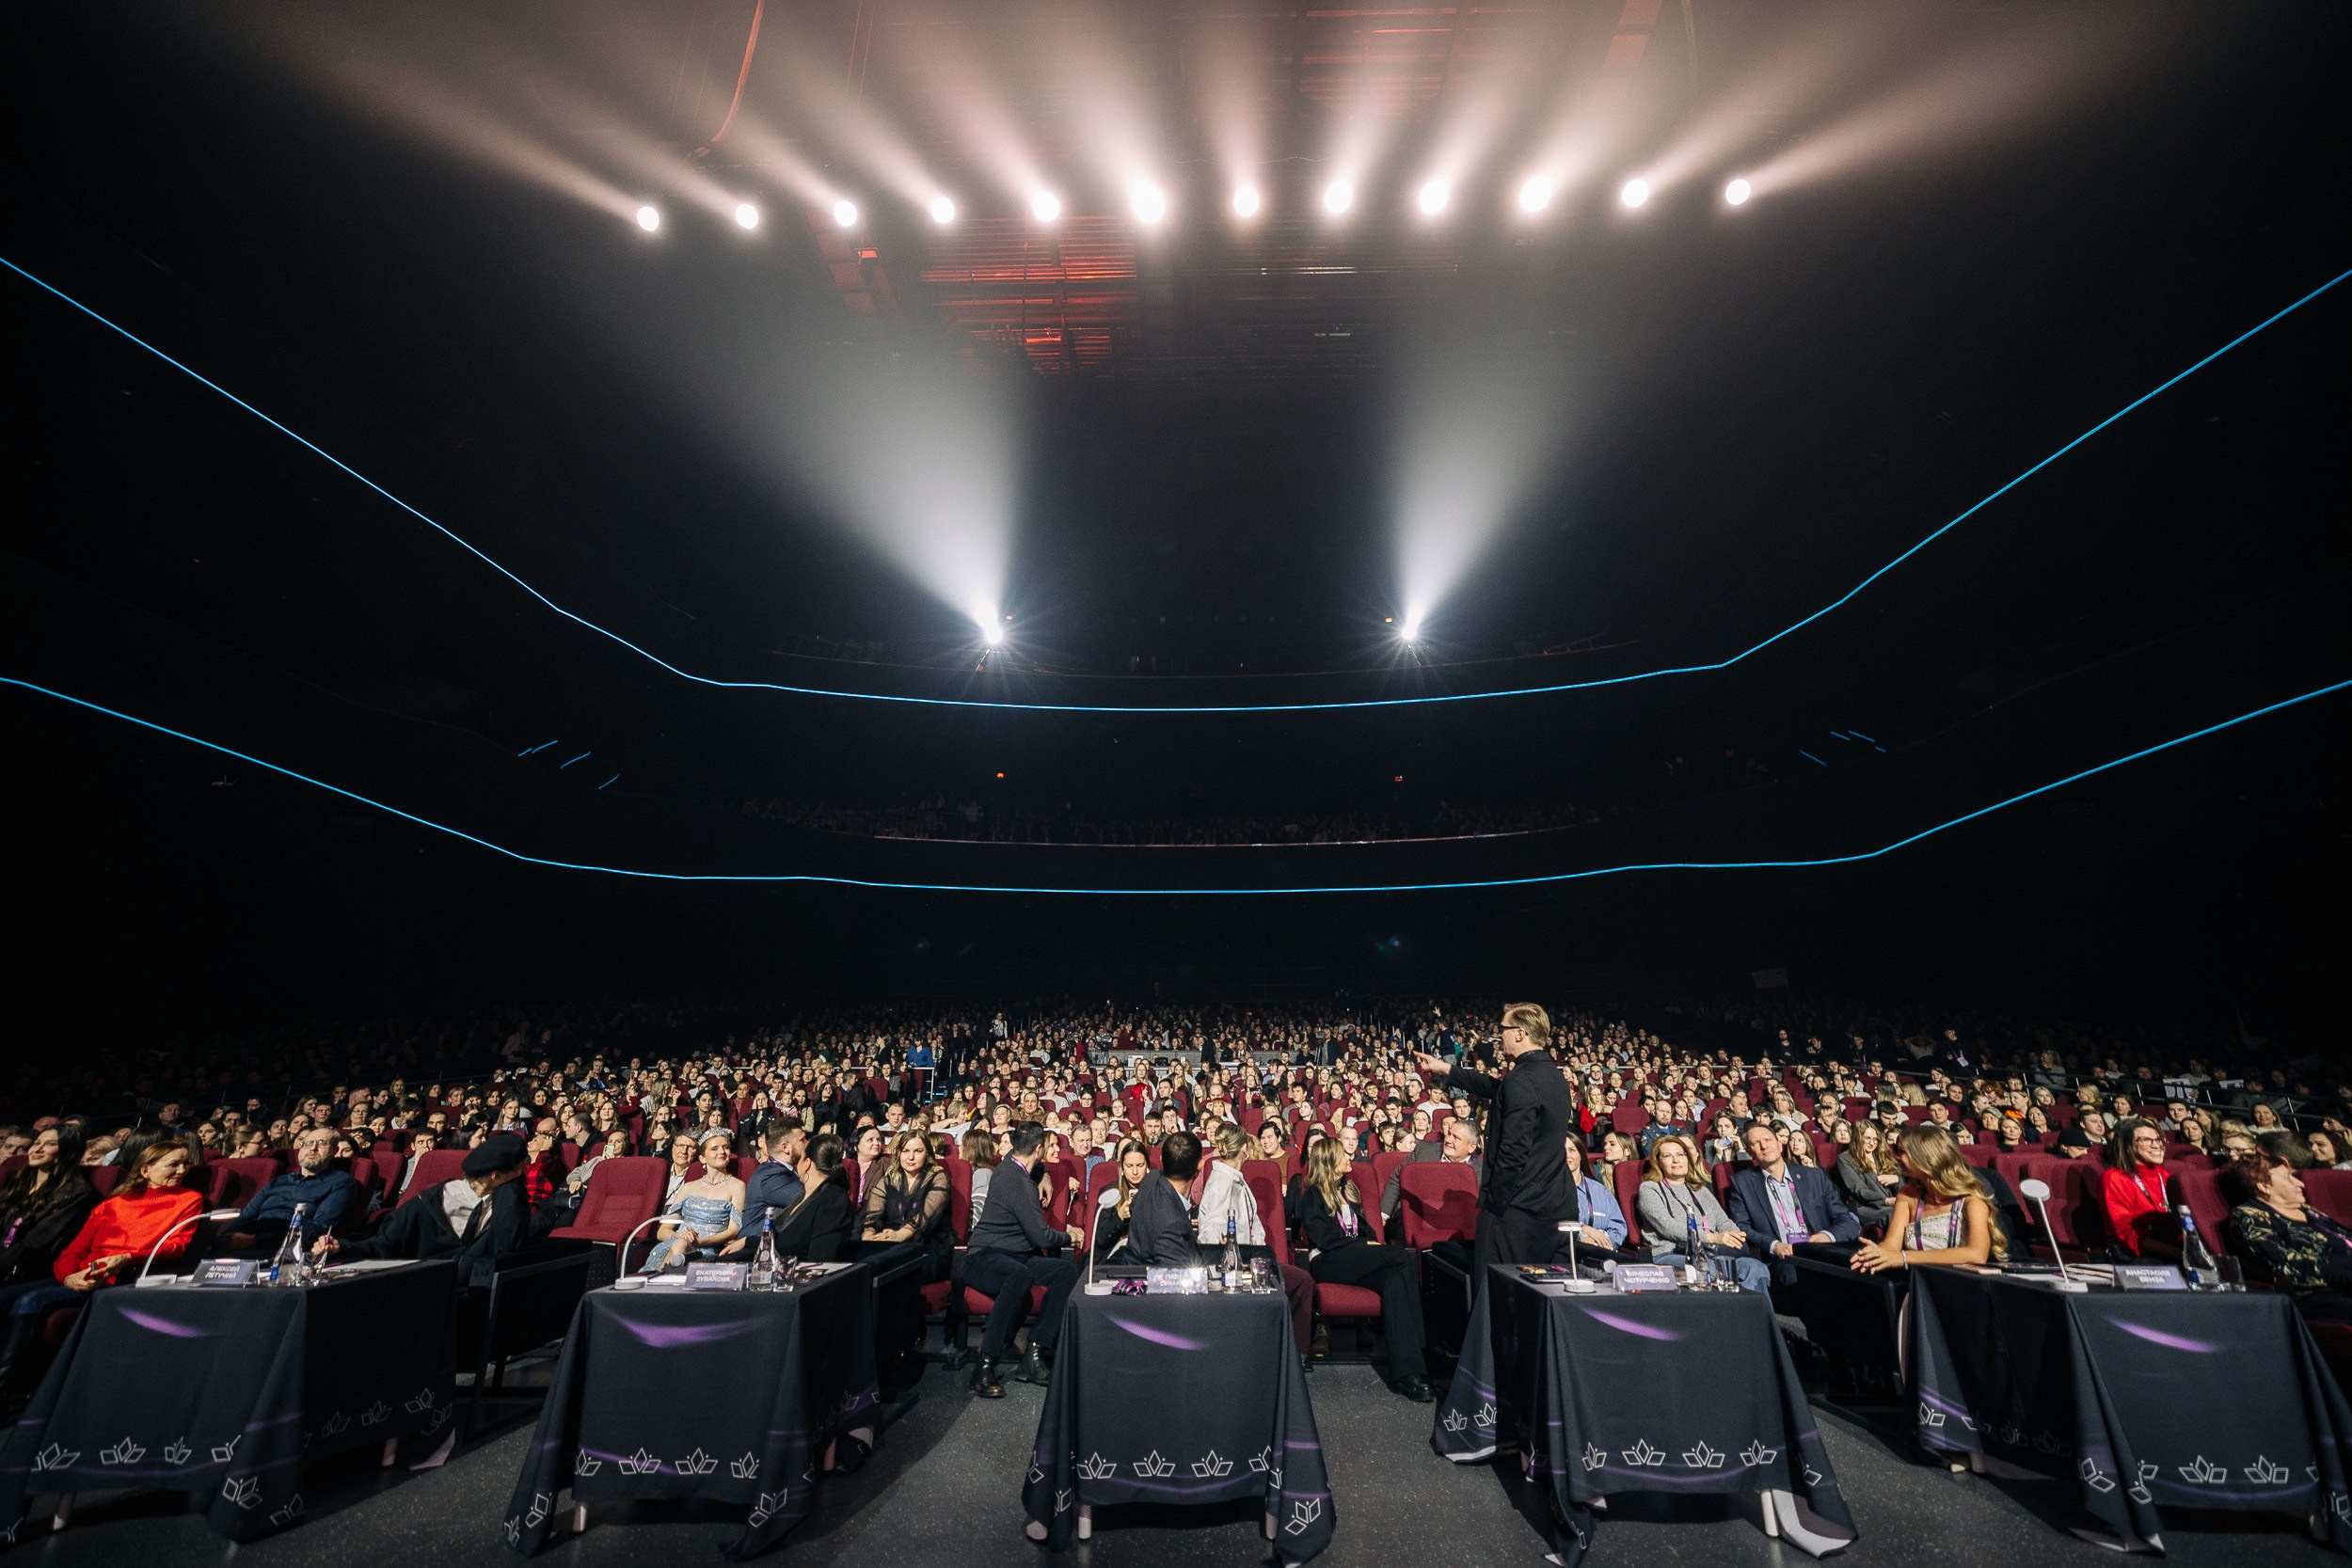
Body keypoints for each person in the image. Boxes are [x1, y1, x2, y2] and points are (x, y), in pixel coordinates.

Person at [0, 1130, 187, 1410]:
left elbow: (176, 1246)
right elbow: (72, 1251)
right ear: (146, 1170)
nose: (182, 1170)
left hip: (118, 1278)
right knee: (4, 1297)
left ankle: (5, 1392)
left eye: (185, 1164)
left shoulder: (188, 1199)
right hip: (80, 1276)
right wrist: (69, 1276)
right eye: (174, 1164)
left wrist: (127, 1258)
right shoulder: (113, 1204)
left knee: (30, 1301)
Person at [1413, 1002, 1573, 1277]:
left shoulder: (1521, 1080)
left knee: (1497, 1287)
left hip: (1518, 1210)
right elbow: (1494, 1088)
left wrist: (1494, 1203)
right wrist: (1446, 1069)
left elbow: (1512, 1151)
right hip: (1555, 1202)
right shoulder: (1553, 1076)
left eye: (1503, 1028)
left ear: (1520, 1033)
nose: (1499, 1035)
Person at [1296, 1136, 1433, 1402]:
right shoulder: (1313, 1194)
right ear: (1330, 1161)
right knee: (1399, 1255)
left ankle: (1408, 1373)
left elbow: (1367, 1230)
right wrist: (1363, 1245)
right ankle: (1424, 1344)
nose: (1350, 1157)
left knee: (1393, 1281)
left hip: (1356, 1259)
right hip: (1328, 1261)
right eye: (1343, 1154)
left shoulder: (1348, 1190)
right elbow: (1321, 1238)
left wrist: (1367, 1244)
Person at [962, 1124, 1084, 1399]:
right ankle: (984, 1365)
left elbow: (1024, 1162)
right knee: (1018, 1275)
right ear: (1039, 1149)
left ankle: (1035, 1352)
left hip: (1017, 1256)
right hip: (983, 1256)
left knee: (1065, 1272)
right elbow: (1041, 1236)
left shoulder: (1011, 1165)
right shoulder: (1015, 1180)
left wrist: (1044, 1173)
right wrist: (1071, 1236)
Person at [318, 1133, 531, 1287]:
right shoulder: (428, 1203)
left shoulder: (506, 1204)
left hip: (476, 1300)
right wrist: (342, 1248)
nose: (524, 1173)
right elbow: (382, 1245)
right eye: (521, 1169)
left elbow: (508, 1248)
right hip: (423, 1292)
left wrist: (512, 1189)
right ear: (495, 1176)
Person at [1199, 1124, 1318, 1370]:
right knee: (1302, 1282)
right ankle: (1297, 1355)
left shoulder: (1234, 1178)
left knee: (1301, 1281)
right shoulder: (1223, 1181)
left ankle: (1292, 1351)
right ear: (1244, 1148)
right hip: (1239, 1264)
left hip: (1252, 1257)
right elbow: (1211, 1230)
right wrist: (1225, 1247)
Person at [1725, 1121, 1861, 1291]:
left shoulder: (1814, 1176)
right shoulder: (1742, 1183)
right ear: (1750, 1151)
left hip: (1822, 1250)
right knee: (1801, 1278)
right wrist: (1774, 1245)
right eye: (1756, 1143)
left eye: (1768, 1140)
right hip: (1785, 1258)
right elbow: (1742, 1227)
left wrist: (1826, 1236)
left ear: (1780, 1144)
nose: (1764, 1146)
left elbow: (1847, 1220)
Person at [1850, 1127, 2007, 1273]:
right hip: (1918, 1281)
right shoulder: (1907, 1195)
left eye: (1901, 1151)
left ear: (1924, 1156)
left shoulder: (1971, 1201)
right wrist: (1878, 1253)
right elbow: (1892, 1245)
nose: (1896, 1157)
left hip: (1959, 1284)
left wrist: (1904, 1257)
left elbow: (1976, 1254)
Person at [1632, 1134, 1771, 1293]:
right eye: (1668, 1156)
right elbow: (1668, 1227)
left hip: (1710, 1252)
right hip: (1670, 1253)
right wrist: (1712, 1238)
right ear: (1658, 1162)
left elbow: (1723, 1221)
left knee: (1755, 1267)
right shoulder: (1650, 1189)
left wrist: (1735, 1235)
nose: (1676, 1160)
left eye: (1680, 1154)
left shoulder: (1700, 1189)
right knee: (1707, 1268)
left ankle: (1754, 1310)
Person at [2227, 1149, 2352, 1322]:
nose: (2300, 1183)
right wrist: (2346, 1274)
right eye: (2289, 1178)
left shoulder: (2305, 1209)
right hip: (2321, 1293)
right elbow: (2283, 1265)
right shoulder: (2249, 1216)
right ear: (2265, 1187)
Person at [223, 1125, 362, 1253]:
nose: (312, 1148)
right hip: (250, 1237)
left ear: (334, 1151)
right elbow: (245, 1217)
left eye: (321, 1143)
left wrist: (254, 1241)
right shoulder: (279, 1181)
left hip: (286, 1248)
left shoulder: (341, 1182)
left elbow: (318, 1227)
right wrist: (223, 1238)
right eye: (307, 1143)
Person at [0, 1123, 97, 1289]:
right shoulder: (21, 1180)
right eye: (37, 1143)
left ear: (68, 1151)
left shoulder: (75, 1192)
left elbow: (36, 1242)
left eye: (50, 1144)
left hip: (27, 1267)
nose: (37, 1149)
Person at [641, 1130, 746, 1272]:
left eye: (726, 1147)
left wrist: (700, 1241)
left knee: (682, 1245)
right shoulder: (688, 1187)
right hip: (675, 1245)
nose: (722, 1151)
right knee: (681, 1244)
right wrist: (679, 1235)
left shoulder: (737, 1186)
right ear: (702, 1158)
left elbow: (733, 1230)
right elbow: (663, 1231)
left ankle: (663, 1278)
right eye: (714, 1148)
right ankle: (662, 1275)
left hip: (706, 1252)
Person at [857, 1130, 952, 1278]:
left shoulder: (939, 1178)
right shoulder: (889, 1178)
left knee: (879, 1268)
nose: (911, 1157)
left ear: (927, 1153)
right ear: (899, 1153)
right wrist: (870, 1234)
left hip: (926, 1247)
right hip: (889, 1243)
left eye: (918, 1151)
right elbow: (874, 1211)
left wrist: (901, 1234)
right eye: (906, 1151)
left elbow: (926, 1215)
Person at [1379, 1115, 1481, 1241]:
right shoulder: (1423, 1151)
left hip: (1457, 1231)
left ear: (1471, 1147)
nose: (1449, 1140)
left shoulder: (1480, 1173)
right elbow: (1396, 1180)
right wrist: (1383, 1216)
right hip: (1413, 1218)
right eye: (1449, 1134)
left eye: (1456, 1138)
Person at [767, 1132, 855, 1263]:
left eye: (800, 1159)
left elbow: (821, 1259)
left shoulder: (833, 1200)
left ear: (807, 1163)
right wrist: (745, 1242)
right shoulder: (804, 1197)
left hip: (801, 1273)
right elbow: (778, 1237)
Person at [2102, 1118, 2179, 1259]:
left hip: (2173, 1245)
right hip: (2140, 1255)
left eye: (2158, 1139)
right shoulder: (2114, 1178)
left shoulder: (2164, 1174)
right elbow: (2124, 1232)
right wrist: (2176, 1254)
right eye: (2146, 1140)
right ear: (2128, 1145)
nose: (2156, 1145)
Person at [1125, 1129, 1201, 1265]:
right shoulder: (1173, 1225)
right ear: (1199, 1165)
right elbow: (1173, 1274)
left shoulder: (1150, 1178)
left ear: (1162, 1160)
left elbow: (1134, 1209)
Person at [1560, 1134, 1629, 1262]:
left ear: (1581, 1155)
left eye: (1572, 1150)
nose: (1567, 1155)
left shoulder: (1600, 1191)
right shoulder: (1549, 1191)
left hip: (1601, 1256)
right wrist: (1582, 1233)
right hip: (1566, 1256)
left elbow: (1618, 1228)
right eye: (1562, 1151)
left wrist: (1598, 1244)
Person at [1834, 1121, 1903, 1229]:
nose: (1872, 1143)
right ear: (1858, 1138)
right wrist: (1885, 1200)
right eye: (1867, 1138)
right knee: (1895, 1213)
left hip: (1892, 1202)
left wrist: (1897, 1179)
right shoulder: (1845, 1159)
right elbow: (1858, 1190)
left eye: (1875, 1139)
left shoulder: (1882, 1155)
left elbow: (1902, 1183)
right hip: (1865, 1206)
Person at [961, 1129, 1000, 1232]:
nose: (959, 1148)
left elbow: (977, 1213)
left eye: (963, 1145)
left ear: (972, 1150)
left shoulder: (983, 1174)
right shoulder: (970, 1171)